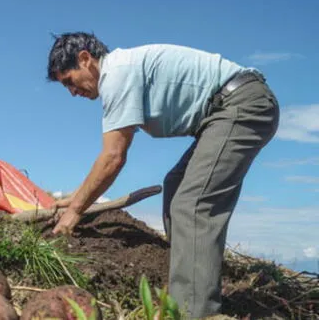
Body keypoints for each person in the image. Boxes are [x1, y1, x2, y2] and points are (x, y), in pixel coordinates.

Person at [46, 32, 279, 318]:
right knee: (176, 184)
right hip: (225, 112)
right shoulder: (121, 70)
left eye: (69, 81)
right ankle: (188, 284)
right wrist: (77, 196)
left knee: (193, 204)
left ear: (85, 59)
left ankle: (195, 312)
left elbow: (113, 157)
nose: (71, 92)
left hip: (241, 106)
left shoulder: (116, 74)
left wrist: (75, 211)